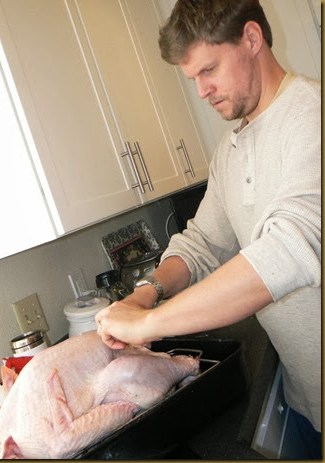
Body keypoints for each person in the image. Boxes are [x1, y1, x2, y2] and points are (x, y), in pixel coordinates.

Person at [96, 0, 321, 457]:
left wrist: (150, 323)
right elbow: (202, 242)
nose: (201, 90)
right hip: (306, 399)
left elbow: (289, 250)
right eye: (192, 78)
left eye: (209, 69)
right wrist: (146, 292)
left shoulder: (312, 118)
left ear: (252, 38)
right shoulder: (230, 148)